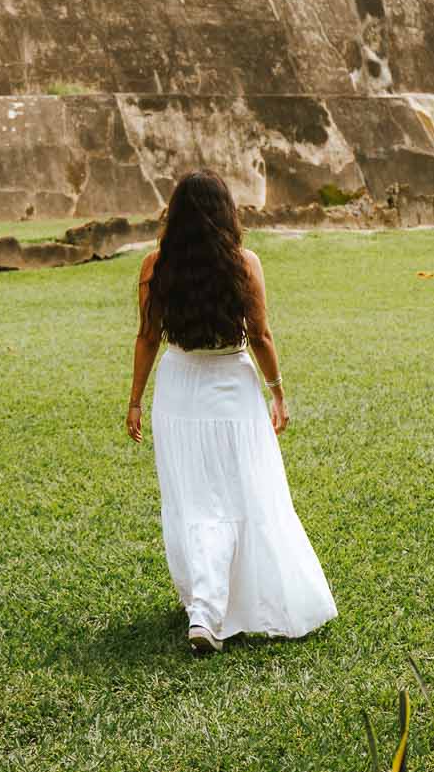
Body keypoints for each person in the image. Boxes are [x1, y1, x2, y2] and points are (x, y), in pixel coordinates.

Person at [126, 170, 337, 655]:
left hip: (179, 392)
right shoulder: (244, 263)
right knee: (245, 496)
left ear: (174, 215)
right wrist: (278, 392)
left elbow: (148, 336)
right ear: (227, 213)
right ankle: (213, 608)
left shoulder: (155, 265)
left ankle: (204, 609)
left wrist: (136, 400)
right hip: (233, 390)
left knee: (194, 501)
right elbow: (260, 335)